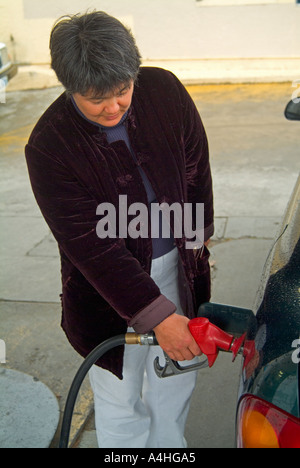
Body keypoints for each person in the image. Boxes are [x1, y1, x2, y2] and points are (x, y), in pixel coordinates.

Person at [25, 11, 214, 448]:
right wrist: (157, 315)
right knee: (120, 394)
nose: (113, 107)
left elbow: (195, 169)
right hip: (105, 294)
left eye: (122, 91)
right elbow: (92, 250)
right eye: (96, 99)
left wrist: (197, 240)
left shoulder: (164, 90)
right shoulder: (50, 145)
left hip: (177, 267)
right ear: (68, 85)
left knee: (175, 379)